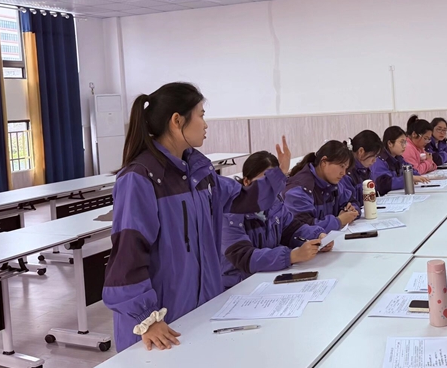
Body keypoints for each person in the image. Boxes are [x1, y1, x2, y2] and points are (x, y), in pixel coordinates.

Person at [103, 83, 290, 352]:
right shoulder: (141, 178)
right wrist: (147, 318)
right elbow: (127, 257)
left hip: (199, 310)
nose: (205, 124)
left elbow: (242, 199)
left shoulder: (199, 172)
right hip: (158, 326)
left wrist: (277, 176)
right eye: (201, 115)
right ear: (177, 121)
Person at [220, 152, 332, 289]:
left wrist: (318, 236)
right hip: (238, 287)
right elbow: (245, 257)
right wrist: (291, 256)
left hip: (267, 279)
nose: (268, 191)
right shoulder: (230, 214)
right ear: (246, 182)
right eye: (263, 184)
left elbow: (292, 229)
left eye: (273, 185)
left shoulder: (275, 204)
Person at [283, 140, 359, 233]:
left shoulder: (333, 183)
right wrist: (338, 221)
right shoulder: (300, 190)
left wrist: (350, 210)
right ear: (324, 162)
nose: (343, 173)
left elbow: (352, 201)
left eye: (346, 168)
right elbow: (302, 228)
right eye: (341, 166)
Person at [371, 126, 430, 195]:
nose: (404, 146)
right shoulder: (379, 160)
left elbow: (412, 171)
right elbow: (384, 184)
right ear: (390, 143)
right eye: (402, 142)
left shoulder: (398, 158)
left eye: (405, 142)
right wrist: (409, 179)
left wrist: (413, 177)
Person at [342, 130, 382, 207]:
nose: (374, 160)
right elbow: (350, 203)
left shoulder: (366, 170)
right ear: (361, 151)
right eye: (373, 156)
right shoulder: (346, 172)